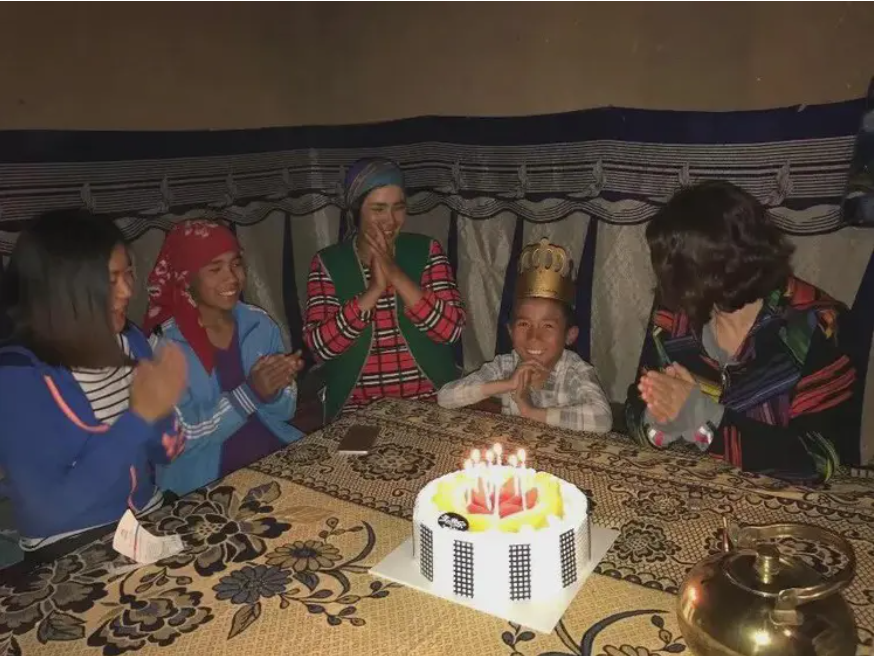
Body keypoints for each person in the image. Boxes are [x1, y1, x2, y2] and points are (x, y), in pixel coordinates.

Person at [625, 180, 860, 483]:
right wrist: (659, 422)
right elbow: (637, 403)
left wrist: (705, 419)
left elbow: (820, 460)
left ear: (727, 263)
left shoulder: (817, 325)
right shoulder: (674, 314)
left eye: (679, 268)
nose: (666, 281)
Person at [0, 209, 186, 565]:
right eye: (110, 279)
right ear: (62, 289)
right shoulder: (18, 377)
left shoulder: (129, 340)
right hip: (72, 547)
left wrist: (164, 413)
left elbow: (165, 452)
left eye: (128, 273)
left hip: (147, 518)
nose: (128, 290)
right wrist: (139, 418)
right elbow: (48, 510)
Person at [144, 219, 303, 497]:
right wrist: (251, 393)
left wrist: (277, 388)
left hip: (273, 454)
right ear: (186, 279)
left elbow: (286, 412)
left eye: (236, 264)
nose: (231, 277)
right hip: (205, 482)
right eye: (215, 269)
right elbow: (176, 440)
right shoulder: (163, 348)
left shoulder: (259, 324)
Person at [304, 157, 466, 421]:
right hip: (358, 409)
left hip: (431, 401)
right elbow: (321, 347)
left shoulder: (427, 250)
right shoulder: (328, 263)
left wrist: (396, 275)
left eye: (398, 208)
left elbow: (451, 330)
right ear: (356, 211)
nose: (390, 220)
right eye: (378, 209)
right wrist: (374, 290)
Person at [438, 238, 612, 433]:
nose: (534, 336)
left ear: (569, 335)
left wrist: (530, 412)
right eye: (524, 324)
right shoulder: (506, 365)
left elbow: (602, 420)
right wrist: (507, 384)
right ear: (510, 331)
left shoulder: (575, 370)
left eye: (547, 326)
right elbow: (445, 397)